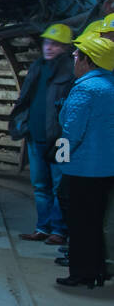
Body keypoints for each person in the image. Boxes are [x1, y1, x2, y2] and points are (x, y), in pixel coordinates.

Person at [55, 31, 114, 289]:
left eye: (77, 56)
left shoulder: (85, 89)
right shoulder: (110, 86)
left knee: (79, 224)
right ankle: (99, 269)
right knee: (97, 221)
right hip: (106, 169)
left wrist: (60, 158)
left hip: (83, 169)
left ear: (88, 61)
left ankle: (81, 273)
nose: (74, 60)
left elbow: (71, 132)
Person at [7, 24, 75, 244]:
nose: (49, 47)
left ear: (65, 47)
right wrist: (21, 125)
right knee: (39, 185)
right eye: (47, 42)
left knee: (59, 186)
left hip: (60, 140)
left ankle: (59, 230)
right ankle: (43, 228)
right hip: (35, 137)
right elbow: (26, 99)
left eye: (55, 44)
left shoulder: (73, 70)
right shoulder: (37, 66)